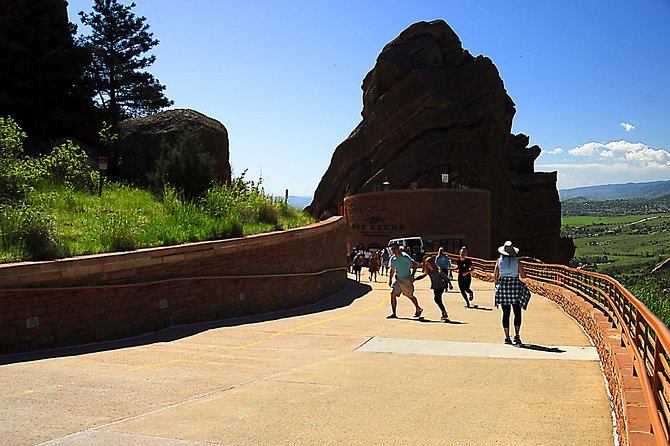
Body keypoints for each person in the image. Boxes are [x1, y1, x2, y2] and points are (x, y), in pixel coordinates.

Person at [493, 241, 532, 345]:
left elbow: (495, 277)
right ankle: (517, 336)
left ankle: (507, 337)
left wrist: (496, 287)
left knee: (506, 313)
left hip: (503, 288)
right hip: (515, 288)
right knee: (517, 312)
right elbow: (523, 276)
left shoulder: (499, 261)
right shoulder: (517, 261)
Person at [387, 242, 423, 319]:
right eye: (392, 249)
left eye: (394, 248)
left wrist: (412, 275)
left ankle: (418, 308)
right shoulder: (393, 259)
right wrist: (390, 279)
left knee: (410, 296)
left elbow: (414, 265)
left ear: (398, 248)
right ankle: (394, 313)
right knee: (392, 294)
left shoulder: (405, 257)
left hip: (406, 279)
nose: (393, 250)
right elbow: (392, 270)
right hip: (398, 279)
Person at [416, 256, 450, 321]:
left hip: (441, 286)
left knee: (437, 299)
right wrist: (415, 279)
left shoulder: (438, 269)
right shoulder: (429, 271)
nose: (427, 265)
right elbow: (423, 275)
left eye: (428, 264)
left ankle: (444, 312)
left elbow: (445, 277)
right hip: (435, 286)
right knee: (437, 299)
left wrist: (449, 284)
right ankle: (444, 312)